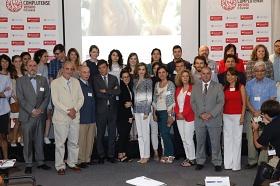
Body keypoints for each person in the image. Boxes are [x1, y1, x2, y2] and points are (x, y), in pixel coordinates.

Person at [16, 60, 51, 174]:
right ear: (26, 67)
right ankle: (28, 163)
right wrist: (32, 110)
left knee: (39, 140)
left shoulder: (43, 80)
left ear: (37, 67)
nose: (32, 68)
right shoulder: (20, 81)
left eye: (34, 66)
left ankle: (40, 161)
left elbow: (47, 96)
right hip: (27, 116)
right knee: (27, 141)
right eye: (30, 66)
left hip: (40, 115)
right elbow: (20, 99)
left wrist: (40, 109)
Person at [51, 62, 84, 175]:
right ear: (62, 69)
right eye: (67, 69)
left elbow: (81, 98)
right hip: (61, 117)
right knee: (60, 143)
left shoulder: (76, 82)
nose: (69, 71)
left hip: (75, 116)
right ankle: (60, 166)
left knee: (74, 142)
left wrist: (74, 109)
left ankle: (72, 162)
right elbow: (55, 101)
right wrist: (68, 111)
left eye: (71, 69)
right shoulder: (55, 83)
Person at [190, 67, 224, 172]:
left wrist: (210, 114)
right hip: (199, 119)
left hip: (214, 119)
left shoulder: (218, 86)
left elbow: (221, 102)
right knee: (200, 142)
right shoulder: (195, 87)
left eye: (208, 73)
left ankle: (217, 162)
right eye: (203, 73)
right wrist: (200, 114)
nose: (205, 75)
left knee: (215, 142)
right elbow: (193, 103)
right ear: (200, 74)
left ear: (211, 74)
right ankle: (200, 161)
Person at [245, 61, 277, 169]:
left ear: (265, 71)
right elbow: (247, 100)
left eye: (262, 70)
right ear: (254, 72)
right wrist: (254, 111)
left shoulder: (271, 83)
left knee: (266, 137)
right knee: (251, 137)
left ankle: (262, 162)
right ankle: (252, 161)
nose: (260, 72)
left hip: (266, 115)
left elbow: (272, 100)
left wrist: (262, 112)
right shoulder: (249, 84)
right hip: (252, 113)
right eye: (257, 70)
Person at [93, 60, 120, 164]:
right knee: (100, 134)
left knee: (112, 134)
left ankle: (111, 155)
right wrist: (111, 92)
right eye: (99, 68)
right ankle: (101, 156)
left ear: (107, 67)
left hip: (112, 110)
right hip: (101, 111)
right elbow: (98, 94)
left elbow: (118, 91)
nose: (101, 70)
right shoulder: (95, 79)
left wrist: (106, 91)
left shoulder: (113, 78)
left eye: (103, 67)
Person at [223, 67, 246, 171]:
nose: (230, 77)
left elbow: (244, 103)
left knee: (237, 140)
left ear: (236, 77)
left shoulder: (241, 87)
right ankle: (228, 164)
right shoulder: (224, 88)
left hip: (237, 116)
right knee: (227, 140)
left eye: (232, 75)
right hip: (226, 116)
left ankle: (236, 165)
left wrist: (242, 116)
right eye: (228, 75)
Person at [252, 100, 280, 185]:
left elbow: (258, 145)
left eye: (263, 114)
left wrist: (255, 130)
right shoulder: (273, 123)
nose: (262, 115)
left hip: (278, 158)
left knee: (264, 174)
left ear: (267, 114)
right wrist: (269, 122)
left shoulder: (270, 128)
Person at [153, 65, 175, 164]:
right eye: (159, 72)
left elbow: (171, 100)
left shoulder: (170, 84)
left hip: (167, 112)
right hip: (159, 112)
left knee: (165, 134)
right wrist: (154, 113)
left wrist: (171, 115)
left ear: (167, 73)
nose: (161, 74)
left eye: (163, 72)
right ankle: (167, 154)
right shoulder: (157, 84)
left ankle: (170, 154)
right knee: (163, 134)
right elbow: (154, 99)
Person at [174, 69, 196, 167]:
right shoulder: (178, 89)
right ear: (180, 78)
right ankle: (188, 157)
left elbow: (192, 104)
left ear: (190, 77)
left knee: (188, 138)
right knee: (183, 139)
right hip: (179, 117)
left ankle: (192, 158)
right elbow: (176, 103)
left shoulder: (193, 89)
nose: (185, 78)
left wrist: (184, 114)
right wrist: (178, 113)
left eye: (187, 76)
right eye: (183, 76)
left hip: (189, 117)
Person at [133, 63, 153, 164]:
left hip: (145, 110)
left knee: (145, 134)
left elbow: (149, 97)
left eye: (143, 69)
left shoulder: (148, 81)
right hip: (136, 110)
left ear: (146, 71)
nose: (141, 71)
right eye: (140, 69)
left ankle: (147, 155)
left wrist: (146, 111)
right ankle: (142, 155)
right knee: (140, 135)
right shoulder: (135, 81)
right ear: (137, 70)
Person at [77, 66, 96, 168]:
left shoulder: (89, 84)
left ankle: (87, 159)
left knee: (90, 140)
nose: (87, 74)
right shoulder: (77, 84)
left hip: (92, 117)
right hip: (82, 117)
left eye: (88, 72)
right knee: (81, 140)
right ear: (80, 73)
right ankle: (80, 160)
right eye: (84, 72)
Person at [34, 49, 52, 145]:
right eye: (45, 56)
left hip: (47, 94)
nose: (47, 58)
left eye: (47, 56)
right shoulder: (38, 67)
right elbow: (38, 83)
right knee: (41, 117)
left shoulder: (46, 66)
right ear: (39, 57)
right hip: (41, 96)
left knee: (48, 116)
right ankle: (41, 137)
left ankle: (45, 136)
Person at [117, 69, 134, 162]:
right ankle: (120, 154)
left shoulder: (129, 87)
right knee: (123, 135)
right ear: (121, 78)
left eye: (127, 77)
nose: (126, 78)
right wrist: (129, 117)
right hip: (123, 116)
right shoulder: (121, 88)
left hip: (128, 115)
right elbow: (123, 104)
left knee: (125, 135)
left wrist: (131, 103)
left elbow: (130, 103)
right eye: (124, 77)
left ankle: (123, 153)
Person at [10, 55, 25, 147]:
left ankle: (22, 139)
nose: (18, 63)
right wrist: (17, 99)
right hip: (15, 101)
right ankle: (13, 140)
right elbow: (11, 89)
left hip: (24, 101)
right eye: (16, 61)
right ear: (12, 63)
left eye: (19, 61)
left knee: (23, 122)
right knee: (17, 122)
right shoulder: (10, 74)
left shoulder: (25, 73)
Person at [0, 72, 12, 160]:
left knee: (3, 136)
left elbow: (9, 93)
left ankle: (6, 159)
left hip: (3, 111)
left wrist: (3, 93)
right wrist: (2, 92)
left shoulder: (5, 78)